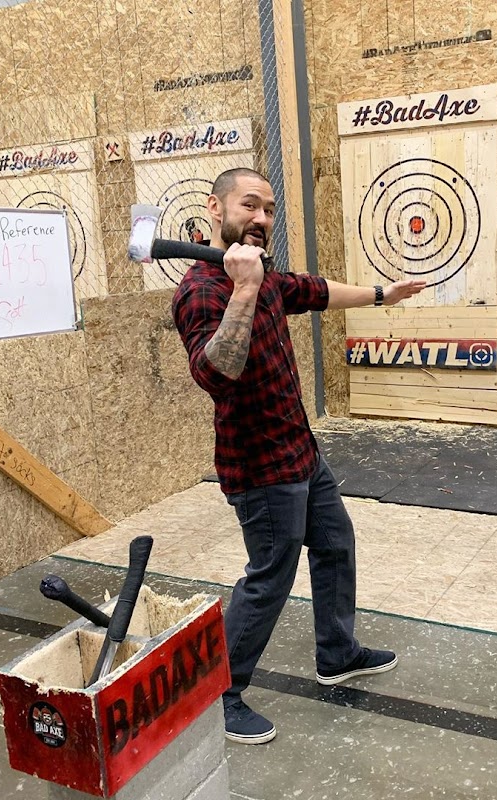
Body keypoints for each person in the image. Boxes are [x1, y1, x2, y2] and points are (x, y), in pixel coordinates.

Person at [172, 167, 426, 745]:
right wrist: (242, 288)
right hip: (260, 468)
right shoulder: (202, 291)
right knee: (269, 579)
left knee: (335, 543)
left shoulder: (265, 276)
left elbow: (316, 291)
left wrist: (383, 294)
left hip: (301, 453)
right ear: (215, 208)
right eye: (249, 205)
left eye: (268, 209)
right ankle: (218, 694)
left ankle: (337, 653)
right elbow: (216, 375)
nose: (261, 218)